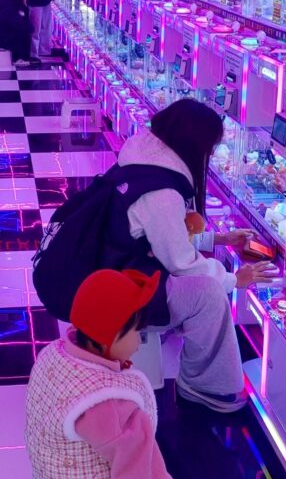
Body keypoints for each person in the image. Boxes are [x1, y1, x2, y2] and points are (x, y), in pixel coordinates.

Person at [113, 98, 273, 413]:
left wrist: (217, 238)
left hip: (124, 265)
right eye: (210, 149)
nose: (209, 156)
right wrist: (233, 279)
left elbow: (161, 234)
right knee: (209, 294)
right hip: (129, 284)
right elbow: (180, 262)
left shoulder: (144, 156)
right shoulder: (162, 193)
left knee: (206, 285)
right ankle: (203, 386)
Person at [26, 269, 180, 479]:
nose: (139, 342)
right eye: (136, 333)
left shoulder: (54, 358)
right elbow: (139, 475)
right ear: (109, 336)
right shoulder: (109, 403)